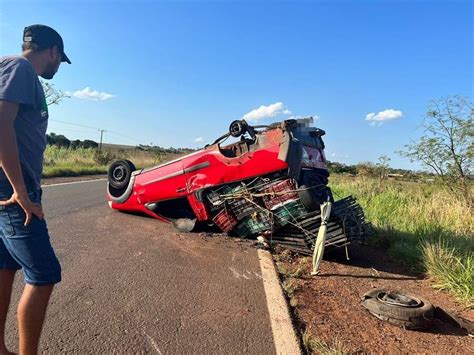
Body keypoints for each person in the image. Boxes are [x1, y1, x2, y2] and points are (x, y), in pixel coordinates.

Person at [0, 24, 71, 355]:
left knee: (5, 267)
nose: (58, 67)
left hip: (9, 186)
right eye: (60, 59)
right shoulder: (22, 69)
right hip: (15, 189)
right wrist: (22, 192)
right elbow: (1, 125)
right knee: (44, 274)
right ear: (53, 51)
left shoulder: (13, 68)